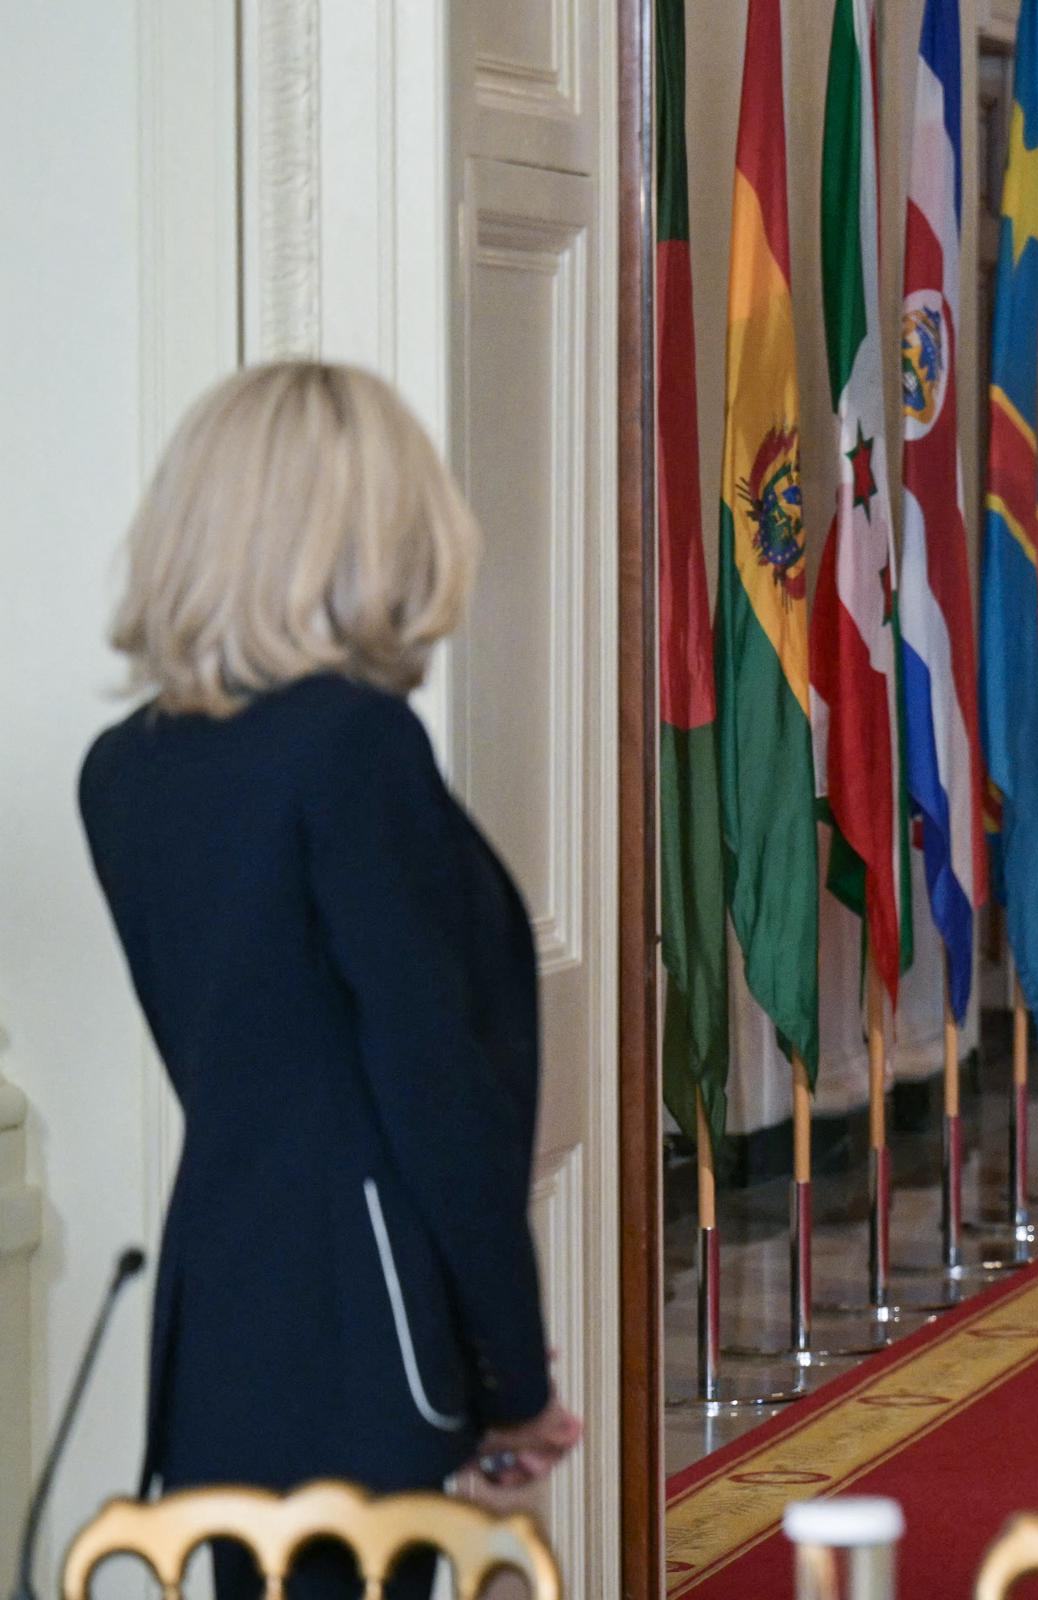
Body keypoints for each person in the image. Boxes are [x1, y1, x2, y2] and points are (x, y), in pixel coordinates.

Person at [79, 362, 581, 1600]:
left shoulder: (122, 770)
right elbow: (433, 1096)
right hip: (373, 1339)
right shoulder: (349, 746)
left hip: (220, 1322)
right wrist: (512, 1378)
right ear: (368, 532)